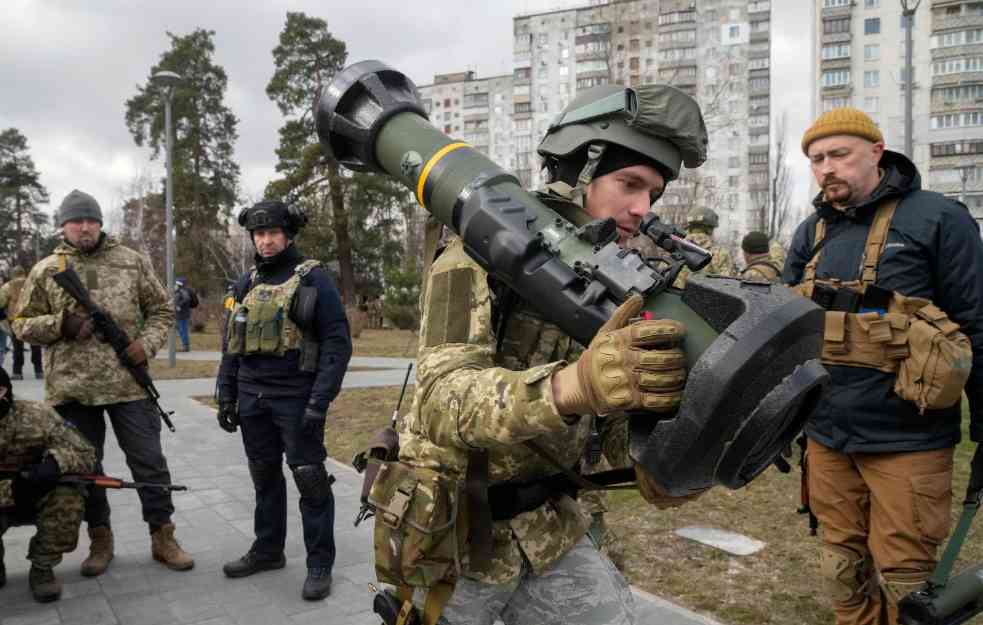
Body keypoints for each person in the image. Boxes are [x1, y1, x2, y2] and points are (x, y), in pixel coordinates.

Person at [385, 84, 707, 624]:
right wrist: (568, 386)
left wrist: (662, 451)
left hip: (549, 525)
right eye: (630, 184)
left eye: (653, 193)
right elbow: (439, 399)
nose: (641, 209)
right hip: (453, 535)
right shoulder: (476, 255)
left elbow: (608, 429)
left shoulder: (616, 284)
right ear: (581, 172)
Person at [785, 108, 983, 625]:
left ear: (876, 152)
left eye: (839, 154)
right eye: (816, 159)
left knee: (905, 581)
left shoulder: (939, 218)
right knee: (841, 568)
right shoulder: (812, 232)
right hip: (827, 436)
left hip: (908, 441)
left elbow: (977, 323)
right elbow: (783, 328)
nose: (827, 168)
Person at [10, 189, 193, 578]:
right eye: (76, 221)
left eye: (91, 220)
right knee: (85, 470)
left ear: (100, 224)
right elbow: (21, 323)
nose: (85, 227)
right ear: (63, 226)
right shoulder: (46, 269)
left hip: (128, 386)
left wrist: (147, 344)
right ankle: (100, 539)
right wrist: (60, 324)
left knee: (149, 463)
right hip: (72, 390)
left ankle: (163, 536)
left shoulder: (130, 261)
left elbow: (162, 308)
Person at [216, 200, 352, 601]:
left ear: (288, 235)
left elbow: (337, 344)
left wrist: (319, 402)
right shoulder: (246, 283)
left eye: (273, 232)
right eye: (259, 234)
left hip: (296, 399)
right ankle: (268, 550)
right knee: (264, 478)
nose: (266, 240)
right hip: (252, 397)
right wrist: (226, 393)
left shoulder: (313, 280)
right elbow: (231, 345)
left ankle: (319, 563)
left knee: (309, 480)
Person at [0, 366, 96, 602]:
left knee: (68, 498)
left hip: (37, 494)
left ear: (2, 391)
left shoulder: (37, 415)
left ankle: (42, 567)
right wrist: (9, 491)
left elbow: (85, 452)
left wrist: (55, 463)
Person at [674, 207, 736, 287]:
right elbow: (728, 287)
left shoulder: (673, 248)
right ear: (710, 229)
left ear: (690, 226)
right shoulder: (721, 253)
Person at [0, 267, 43, 380]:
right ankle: (39, 371)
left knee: (17, 346)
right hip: (32, 319)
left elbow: (1, 302)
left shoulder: (8, 286)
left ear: (12, 274)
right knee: (35, 345)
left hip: (16, 320)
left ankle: (17, 372)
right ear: (24, 273)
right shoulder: (33, 284)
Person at [173, 278, 195, 352]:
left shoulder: (182, 292)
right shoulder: (178, 292)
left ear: (179, 285)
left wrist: (179, 305)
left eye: (175, 284)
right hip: (179, 315)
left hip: (182, 315)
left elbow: (187, 299)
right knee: (181, 331)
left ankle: (185, 347)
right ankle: (184, 346)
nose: (174, 285)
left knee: (183, 331)